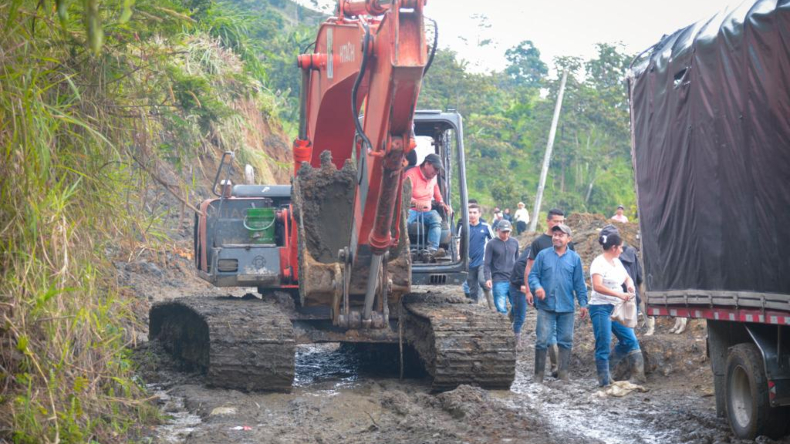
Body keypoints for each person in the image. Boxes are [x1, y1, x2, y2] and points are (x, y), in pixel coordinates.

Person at [528, 224, 588, 383]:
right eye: (555, 234)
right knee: (542, 340)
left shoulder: (574, 259)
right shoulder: (543, 255)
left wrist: (583, 303)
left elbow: (579, 283)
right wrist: (537, 287)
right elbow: (533, 276)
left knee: (566, 340)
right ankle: (538, 375)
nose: (556, 237)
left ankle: (563, 373)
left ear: (569, 239)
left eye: (561, 235)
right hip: (545, 306)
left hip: (566, 306)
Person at [588, 231, 645, 386]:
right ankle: (604, 382)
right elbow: (597, 286)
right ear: (613, 247)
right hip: (601, 307)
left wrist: (630, 285)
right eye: (620, 247)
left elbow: (627, 277)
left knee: (629, 340)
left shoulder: (617, 262)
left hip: (617, 307)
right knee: (604, 344)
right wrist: (619, 294)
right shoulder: (598, 263)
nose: (622, 250)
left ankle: (609, 367)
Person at [523, 208, 576, 377]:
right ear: (548, 222)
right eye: (556, 222)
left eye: (562, 221)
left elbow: (574, 271)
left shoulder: (570, 246)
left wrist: (581, 299)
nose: (559, 225)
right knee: (545, 335)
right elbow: (530, 269)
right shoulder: (539, 243)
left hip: (564, 298)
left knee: (563, 337)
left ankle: (559, 368)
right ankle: (546, 370)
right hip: (544, 297)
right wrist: (529, 290)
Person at [404, 153, 452, 257]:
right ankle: (404, 249)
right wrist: (415, 202)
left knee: (436, 219)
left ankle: (432, 250)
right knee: (404, 222)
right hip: (410, 210)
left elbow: (436, 189)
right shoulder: (410, 175)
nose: (436, 172)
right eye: (435, 169)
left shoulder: (433, 177)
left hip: (426, 212)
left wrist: (441, 203)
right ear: (427, 164)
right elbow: (403, 194)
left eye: (438, 170)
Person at [460, 203, 494, 307]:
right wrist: (459, 257)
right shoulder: (463, 227)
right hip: (469, 261)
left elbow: (493, 242)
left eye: (474, 212)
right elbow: (459, 243)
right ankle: (474, 306)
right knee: (472, 287)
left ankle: (491, 305)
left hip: (482, 260)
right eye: (470, 212)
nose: (472, 215)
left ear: (479, 214)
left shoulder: (486, 227)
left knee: (483, 281)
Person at [484, 220, 519, 314]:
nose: (506, 234)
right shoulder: (491, 244)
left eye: (508, 232)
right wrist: (488, 278)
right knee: (500, 305)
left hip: (513, 279)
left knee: (516, 304)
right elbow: (487, 263)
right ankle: (504, 320)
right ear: (498, 230)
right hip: (498, 278)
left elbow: (518, 261)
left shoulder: (514, 242)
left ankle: (513, 319)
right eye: (504, 232)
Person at [509, 245, 531, 350]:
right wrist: (523, 283)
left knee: (517, 309)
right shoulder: (534, 250)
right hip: (519, 286)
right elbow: (519, 264)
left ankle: (508, 320)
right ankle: (517, 341)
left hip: (533, 285)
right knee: (520, 315)